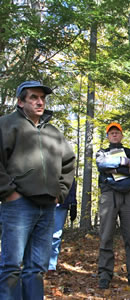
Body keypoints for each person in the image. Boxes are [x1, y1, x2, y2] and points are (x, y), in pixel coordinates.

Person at [0, 80, 75, 299]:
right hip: (18, 206)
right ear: (20, 102)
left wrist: (60, 193)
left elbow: (69, 163)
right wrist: (9, 193)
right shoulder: (6, 125)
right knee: (11, 266)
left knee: (36, 269)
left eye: (42, 98)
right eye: (33, 97)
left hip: (48, 207)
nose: (39, 102)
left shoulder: (53, 132)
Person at [95, 122, 130, 290]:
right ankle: (104, 275)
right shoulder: (102, 152)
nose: (114, 135)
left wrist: (113, 169)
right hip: (109, 195)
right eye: (111, 133)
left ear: (122, 135)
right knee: (106, 236)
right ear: (108, 136)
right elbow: (101, 165)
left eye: (117, 132)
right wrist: (123, 161)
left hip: (128, 195)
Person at [48, 178, 78, 272]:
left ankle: (51, 266)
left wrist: (73, 202)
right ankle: (34, 264)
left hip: (61, 204)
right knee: (40, 233)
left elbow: (71, 183)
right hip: (44, 201)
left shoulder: (67, 166)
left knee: (56, 236)